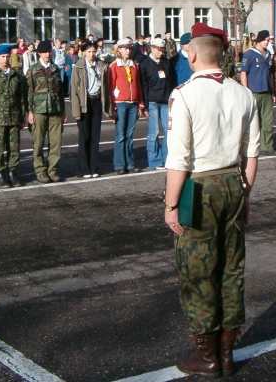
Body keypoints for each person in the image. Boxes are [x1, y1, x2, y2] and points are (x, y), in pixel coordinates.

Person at [163, 22, 259, 379]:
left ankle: (207, 355)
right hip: (234, 181)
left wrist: (171, 205)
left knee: (199, 272)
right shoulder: (243, 94)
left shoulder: (185, 94)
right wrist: (245, 194)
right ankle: (227, 352)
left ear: (192, 55)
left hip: (199, 187)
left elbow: (179, 159)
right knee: (231, 268)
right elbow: (252, 152)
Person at [0, 44, 27, 188]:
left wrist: (22, 117)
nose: (5, 59)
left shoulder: (16, 74)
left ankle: (12, 172)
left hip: (14, 117)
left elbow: (21, 97)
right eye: (3, 57)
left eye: (8, 57)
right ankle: (0, 173)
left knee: (14, 147)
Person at [70, 41, 114, 178]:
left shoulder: (101, 65)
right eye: (89, 52)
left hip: (97, 101)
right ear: (84, 52)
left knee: (95, 136)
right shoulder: (78, 66)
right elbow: (74, 90)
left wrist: (108, 108)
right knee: (84, 136)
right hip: (85, 102)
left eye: (94, 51)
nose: (92, 54)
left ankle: (94, 167)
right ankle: (84, 168)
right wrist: (76, 111)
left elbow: (106, 86)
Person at [27, 39, 66, 183]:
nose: (47, 54)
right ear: (39, 54)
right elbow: (29, 92)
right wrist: (30, 112)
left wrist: (63, 110)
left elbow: (60, 92)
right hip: (39, 110)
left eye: (49, 52)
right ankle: (40, 171)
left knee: (56, 143)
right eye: (44, 52)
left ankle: (52, 171)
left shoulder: (55, 69)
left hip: (55, 110)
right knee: (38, 143)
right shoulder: (33, 70)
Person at [109, 39, 146, 174]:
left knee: (129, 135)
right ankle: (120, 165)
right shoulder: (114, 66)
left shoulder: (134, 65)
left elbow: (138, 85)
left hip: (133, 103)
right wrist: (112, 107)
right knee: (120, 135)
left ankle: (130, 163)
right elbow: (110, 87)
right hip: (120, 103)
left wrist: (141, 103)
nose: (128, 51)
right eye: (125, 49)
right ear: (119, 49)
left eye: (129, 49)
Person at [241, 30, 276, 155]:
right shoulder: (249, 54)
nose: (267, 42)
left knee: (268, 121)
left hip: (266, 91)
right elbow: (244, 73)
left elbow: (271, 74)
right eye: (265, 40)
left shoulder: (268, 54)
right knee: (254, 121)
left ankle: (267, 146)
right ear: (259, 40)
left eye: (268, 40)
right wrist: (246, 91)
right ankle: (251, 146)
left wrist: (272, 92)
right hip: (254, 92)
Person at [141, 37, 174, 169]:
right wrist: (144, 105)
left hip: (165, 101)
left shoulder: (166, 63)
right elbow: (143, 85)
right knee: (154, 132)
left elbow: (171, 81)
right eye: (159, 50)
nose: (161, 52)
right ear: (152, 48)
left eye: (163, 50)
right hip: (152, 102)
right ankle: (154, 160)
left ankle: (166, 157)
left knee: (168, 131)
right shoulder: (145, 63)